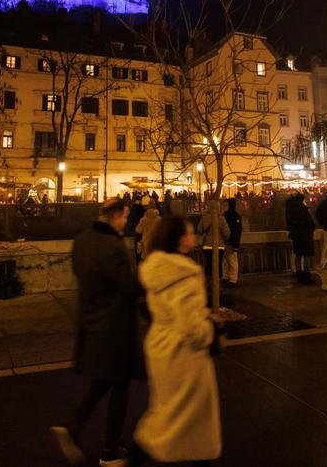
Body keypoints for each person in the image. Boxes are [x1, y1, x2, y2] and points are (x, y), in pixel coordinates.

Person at [124, 216, 221, 467]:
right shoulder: (184, 274)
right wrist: (210, 329)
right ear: (180, 239)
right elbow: (190, 323)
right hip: (184, 356)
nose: (194, 236)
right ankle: (137, 453)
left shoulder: (155, 268)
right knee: (190, 418)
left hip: (160, 346)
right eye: (190, 232)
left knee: (166, 412)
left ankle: (137, 453)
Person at [51, 197, 140, 466]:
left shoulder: (82, 241)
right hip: (114, 329)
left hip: (90, 323)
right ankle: (110, 451)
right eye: (125, 217)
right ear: (116, 215)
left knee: (103, 382)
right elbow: (129, 288)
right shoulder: (114, 247)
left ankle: (73, 425)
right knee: (120, 386)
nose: (126, 223)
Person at [196, 199, 230, 280]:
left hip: (207, 246)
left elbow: (199, 229)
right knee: (218, 265)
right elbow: (227, 233)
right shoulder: (221, 218)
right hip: (219, 246)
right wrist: (225, 239)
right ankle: (218, 285)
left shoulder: (204, 218)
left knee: (209, 264)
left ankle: (209, 283)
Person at [286, 192, 316, 283]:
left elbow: (289, 223)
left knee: (298, 254)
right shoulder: (304, 210)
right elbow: (311, 223)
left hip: (296, 236)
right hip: (305, 235)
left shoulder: (291, 210)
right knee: (306, 255)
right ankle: (307, 274)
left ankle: (299, 273)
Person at [222, 198, 243, 287]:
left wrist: (235, 244)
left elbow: (237, 231)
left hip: (231, 242)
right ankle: (227, 277)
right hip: (226, 242)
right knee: (225, 260)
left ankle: (233, 279)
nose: (224, 207)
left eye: (226, 205)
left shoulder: (234, 216)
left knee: (232, 260)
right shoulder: (227, 215)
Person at [135, 196, 161, 262]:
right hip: (157, 245)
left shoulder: (144, 220)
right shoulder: (160, 219)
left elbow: (138, 230)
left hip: (146, 246)